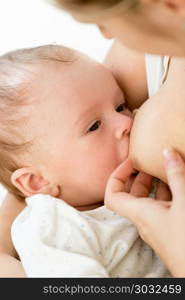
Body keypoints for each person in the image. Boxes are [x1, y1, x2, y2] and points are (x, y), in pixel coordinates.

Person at [0, 44, 170, 277]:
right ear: (37, 182)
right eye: (94, 126)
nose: (126, 123)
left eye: (120, 106)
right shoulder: (53, 229)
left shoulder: (141, 182)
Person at [52, 0, 185, 277]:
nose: (127, 121)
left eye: (103, 19)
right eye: (95, 126)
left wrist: (176, 252)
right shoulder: (156, 45)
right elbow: (39, 146)